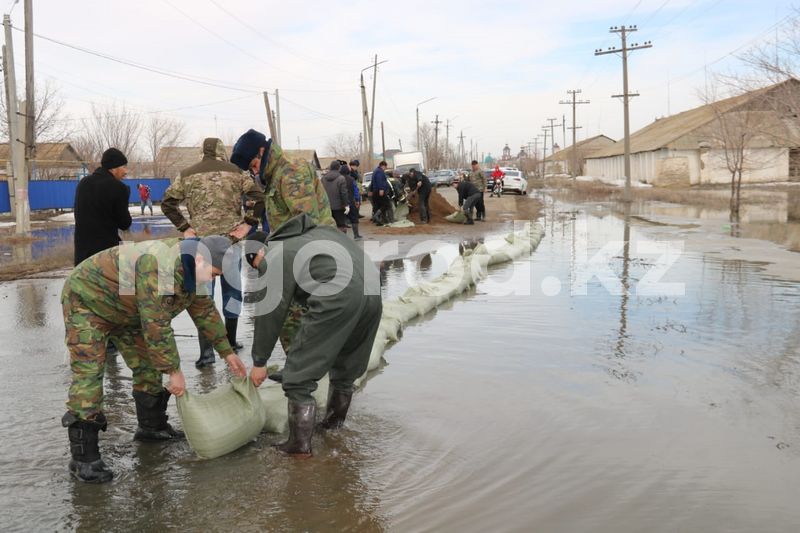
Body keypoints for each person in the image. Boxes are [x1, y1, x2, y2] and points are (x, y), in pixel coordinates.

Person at [61, 235, 247, 483]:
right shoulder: (159, 266)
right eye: (214, 274)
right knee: (90, 374)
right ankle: (84, 460)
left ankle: (152, 428)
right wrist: (174, 371)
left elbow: (204, 311)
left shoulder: (193, 266)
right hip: (88, 303)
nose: (214, 279)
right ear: (201, 259)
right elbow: (156, 326)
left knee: (148, 365)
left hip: (128, 309)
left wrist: (227, 351)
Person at [245, 214, 382, 457]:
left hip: (338, 296)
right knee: (346, 366)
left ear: (259, 254)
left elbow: (270, 313)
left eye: (256, 266)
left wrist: (259, 361)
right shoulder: (319, 233)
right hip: (372, 291)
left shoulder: (275, 255)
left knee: (298, 377)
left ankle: (299, 446)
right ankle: (333, 426)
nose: (260, 270)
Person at [229, 129, 334, 363]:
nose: (254, 171)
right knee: (290, 316)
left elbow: (307, 222)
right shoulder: (275, 174)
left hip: (313, 254)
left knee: (295, 315)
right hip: (294, 254)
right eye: (250, 168)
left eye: (254, 165)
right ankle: (300, 367)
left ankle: (305, 371)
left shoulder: (291, 171)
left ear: (262, 150)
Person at [161, 138, 264, 368]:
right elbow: (259, 197)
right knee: (233, 292)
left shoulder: (187, 174)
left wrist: (185, 227)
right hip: (231, 242)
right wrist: (248, 224)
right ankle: (231, 341)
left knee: (201, 296)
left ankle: (206, 353)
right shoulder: (236, 172)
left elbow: (167, 203)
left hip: (200, 244)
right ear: (221, 152)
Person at [73, 148, 132, 266]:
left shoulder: (84, 183)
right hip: (105, 255)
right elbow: (124, 223)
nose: (126, 171)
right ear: (114, 167)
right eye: (124, 167)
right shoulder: (119, 187)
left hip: (82, 254)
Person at [321, 160, 350, 233]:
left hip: (326, 206)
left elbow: (320, 193)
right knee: (341, 226)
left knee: (329, 227)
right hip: (338, 207)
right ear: (339, 168)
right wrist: (346, 205)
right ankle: (342, 242)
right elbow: (344, 193)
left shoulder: (323, 179)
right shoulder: (341, 178)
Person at [369, 161, 392, 225]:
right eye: (385, 167)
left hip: (375, 191)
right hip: (380, 191)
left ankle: (379, 221)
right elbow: (379, 181)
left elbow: (372, 182)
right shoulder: (380, 171)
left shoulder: (375, 171)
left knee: (378, 206)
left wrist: (371, 190)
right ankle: (376, 216)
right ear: (383, 166)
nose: (385, 168)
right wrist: (381, 189)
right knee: (386, 204)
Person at [345, 160, 363, 240]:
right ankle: (356, 235)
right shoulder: (351, 178)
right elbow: (355, 190)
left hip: (341, 201)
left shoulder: (338, 178)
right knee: (354, 217)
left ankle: (343, 238)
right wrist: (357, 199)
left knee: (341, 219)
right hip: (351, 199)